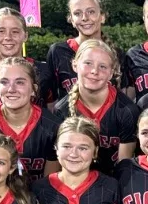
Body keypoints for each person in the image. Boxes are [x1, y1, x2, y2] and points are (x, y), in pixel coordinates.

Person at [0, 57, 61, 181]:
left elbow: (49, 185)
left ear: (34, 89)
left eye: (20, 82)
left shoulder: (53, 127)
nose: (11, 89)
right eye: (4, 82)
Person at [54, 39, 138, 174]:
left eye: (103, 66)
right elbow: (60, 164)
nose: (94, 71)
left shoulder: (127, 111)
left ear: (111, 73)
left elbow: (124, 167)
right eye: (88, 63)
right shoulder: (62, 110)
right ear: (75, 65)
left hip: (113, 183)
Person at [0, 7, 53, 114]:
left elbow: (51, 112)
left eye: (15, 31)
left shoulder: (43, 70)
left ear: (25, 36)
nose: (8, 37)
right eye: (1, 31)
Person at [47, 0, 117, 101]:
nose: (84, 18)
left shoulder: (116, 53)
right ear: (71, 20)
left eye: (91, 12)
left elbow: (124, 98)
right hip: (69, 117)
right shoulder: (58, 51)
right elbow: (51, 99)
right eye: (77, 13)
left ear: (102, 16)